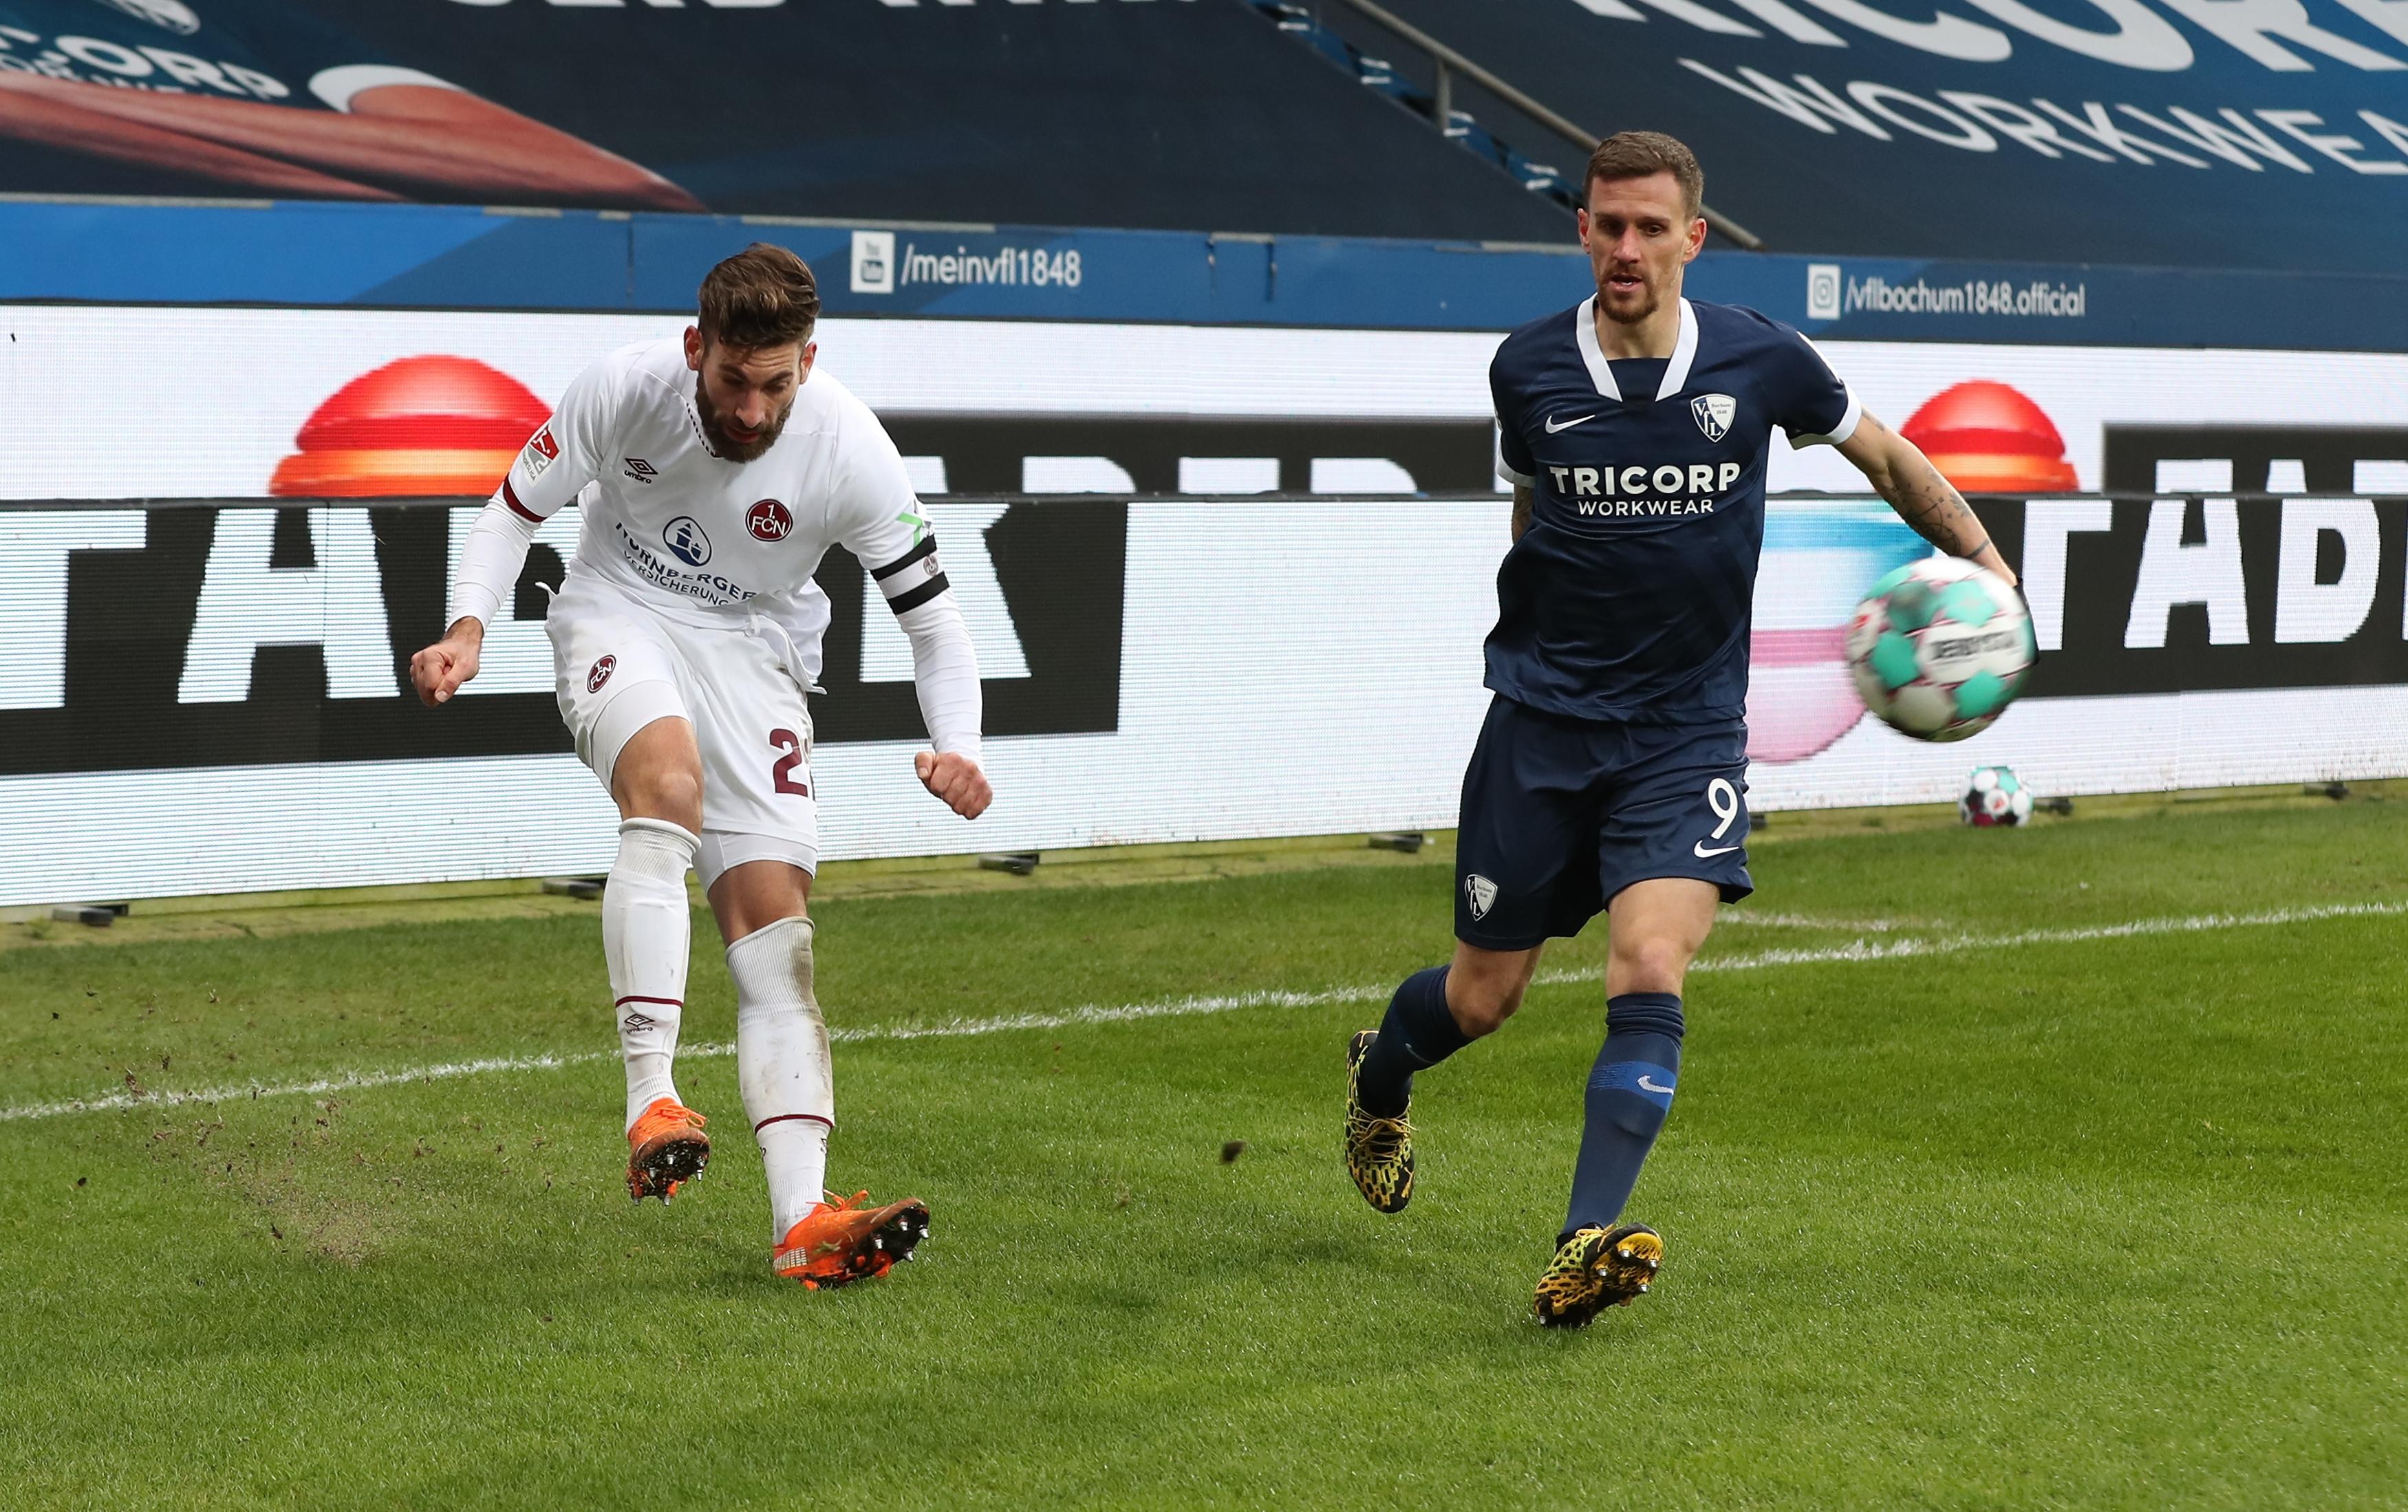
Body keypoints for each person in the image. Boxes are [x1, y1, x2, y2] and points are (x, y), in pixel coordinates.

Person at [1340, 131, 2019, 1328]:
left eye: (1652, 227)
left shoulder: (1762, 360)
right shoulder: (1528, 369)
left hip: (1684, 731)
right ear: (1582, 232)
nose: (1626, 248)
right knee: (1482, 997)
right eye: (1607, 224)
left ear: (1694, 238)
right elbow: (1531, 500)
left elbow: (1889, 454)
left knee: (1651, 962)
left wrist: (1985, 565)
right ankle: (1379, 1075)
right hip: (1541, 728)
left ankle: (1579, 1241)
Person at [411, 244, 991, 1290]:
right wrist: (468, 629)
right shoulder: (624, 391)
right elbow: (513, 509)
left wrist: (961, 747)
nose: (755, 407)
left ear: (809, 362)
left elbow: (936, 626)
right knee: (668, 785)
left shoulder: (851, 450)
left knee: (779, 942)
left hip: (756, 651)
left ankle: (801, 1219)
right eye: (734, 379)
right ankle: (651, 1100)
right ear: (697, 348)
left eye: (777, 382)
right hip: (618, 607)